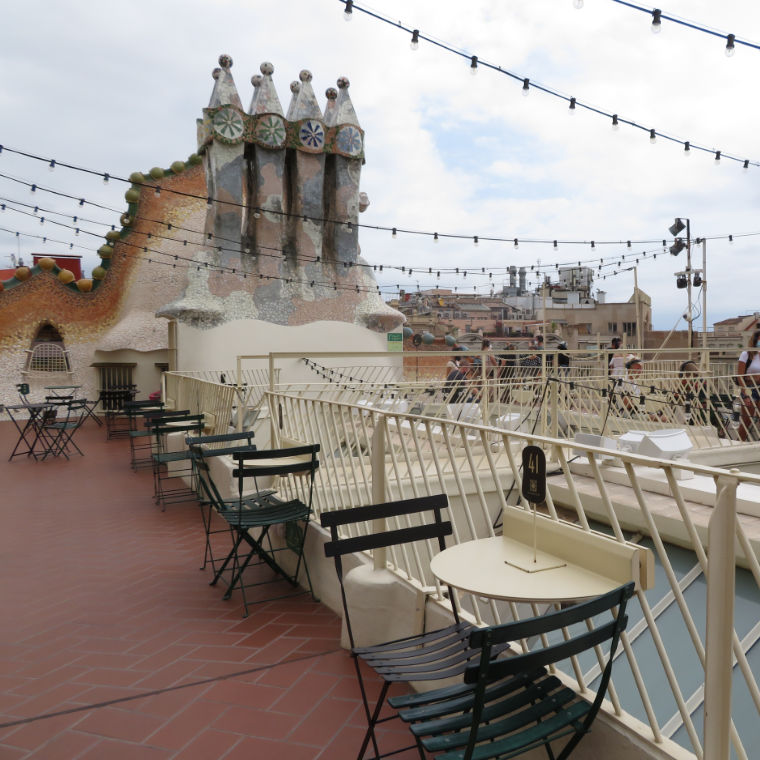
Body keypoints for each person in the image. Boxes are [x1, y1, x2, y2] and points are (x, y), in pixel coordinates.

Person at [736, 329, 760, 441]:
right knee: (747, 420)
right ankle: (739, 443)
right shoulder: (746, 354)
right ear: (755, 340)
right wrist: (745, 393)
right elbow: (740, 376)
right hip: (749, 388)